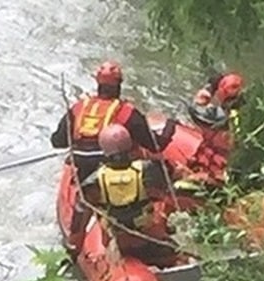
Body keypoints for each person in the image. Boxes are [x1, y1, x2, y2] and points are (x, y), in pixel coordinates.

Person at [67, 124, 185, 267]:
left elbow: (78, 224)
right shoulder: (151, 170)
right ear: (131, 146)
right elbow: (176, 176)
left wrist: (73, 253)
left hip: (121, 245)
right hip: (150, 240)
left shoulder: (93, 183)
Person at [50, 60, 174, 181]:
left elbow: (58, 142)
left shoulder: (78, 108)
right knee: (164, 167)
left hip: (81, 168)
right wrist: (171, 126)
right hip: (114, 170)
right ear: (119, 83)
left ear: (98, 82)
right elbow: (156, 146)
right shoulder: (127, 112)